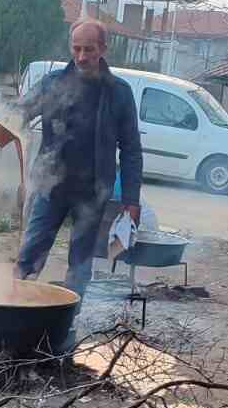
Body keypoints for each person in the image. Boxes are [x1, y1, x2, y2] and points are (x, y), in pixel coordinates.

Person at [14, 19, 143, 298]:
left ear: (103, 49)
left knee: (80, 264)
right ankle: (14, 307)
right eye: (76, 49)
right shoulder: (52, 85)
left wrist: (131, 200)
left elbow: (131, 148)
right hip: (51, 187)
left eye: (89, 49)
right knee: (30, 254)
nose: (82, 57)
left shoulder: (119, 93)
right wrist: (0, 122)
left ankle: (68, 318)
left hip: (92, 192)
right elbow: (18, 114)